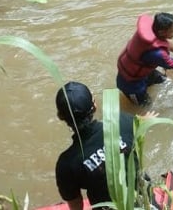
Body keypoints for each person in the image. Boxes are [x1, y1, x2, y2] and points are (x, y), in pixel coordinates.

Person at [54, 81, 158, 210]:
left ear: (60, 116)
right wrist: (146, 120)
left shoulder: (67, 164)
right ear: (95, 105)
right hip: (145, 203)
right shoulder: (123, 121)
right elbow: (140, 124)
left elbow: (76, 205)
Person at [116, 12, 173, 105]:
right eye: (172, 30)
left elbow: (166, 43)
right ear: (162, 32)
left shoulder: (153, 32)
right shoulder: (157, 54)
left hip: (146, 72)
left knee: (165, 82)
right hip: (131, 84)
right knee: (145, 106)